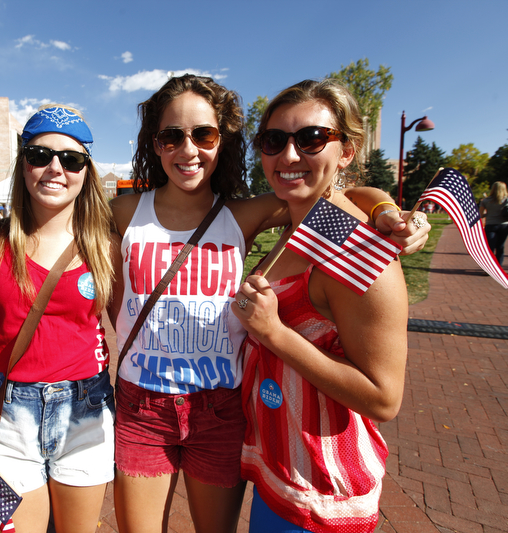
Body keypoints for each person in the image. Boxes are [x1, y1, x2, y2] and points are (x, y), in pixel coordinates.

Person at [108, 74, 429, 533]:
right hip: (145, 407)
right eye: (170, 136)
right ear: (154, 144)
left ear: (224, 142)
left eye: (204, 134)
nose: (187, 148)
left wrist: (384, 211)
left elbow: (334, 195)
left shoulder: (244, 213)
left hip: (222, 407)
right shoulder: (124, 213)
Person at [233, 78, 413, 532]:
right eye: (274, 140)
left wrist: (274, 333)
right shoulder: (310, 224)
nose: (289, 156)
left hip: (324, 497)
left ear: (346, 151)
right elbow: (352, 196)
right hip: (281, 476)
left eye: (311, 139)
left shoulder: (358, 251)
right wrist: (381, 203)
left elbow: (383, 397)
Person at [0, 105, 115, 533]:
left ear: (86, 171)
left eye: (71, 160)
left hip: (87, 410)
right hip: (7, 412)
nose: (55, 168)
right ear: (23, 165)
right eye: (39, 155)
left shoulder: (106, 244)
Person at [480, 181, 508, 265]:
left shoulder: (486, 201)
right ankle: (499, 265)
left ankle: (489, 267)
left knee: (490, 247)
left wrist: (489, 214)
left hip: (490, 225)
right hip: (504, 225)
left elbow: (480, 214)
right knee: (500, 246)